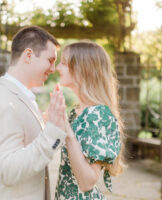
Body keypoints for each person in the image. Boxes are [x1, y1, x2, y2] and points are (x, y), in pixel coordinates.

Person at [0, 26, 67, 200]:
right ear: (28, 55)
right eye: (50, 60)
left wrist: (46, 121)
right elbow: (8, 171)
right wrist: (52, 133)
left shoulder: (19, 97)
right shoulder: (4, 103)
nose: (53, 68)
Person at [53, 41, 125, 199]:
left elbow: (87, 183)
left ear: (82, 69)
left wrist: (68, 132)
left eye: (64, 63)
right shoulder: (76, 112)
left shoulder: (98, 115)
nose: (57, 68)